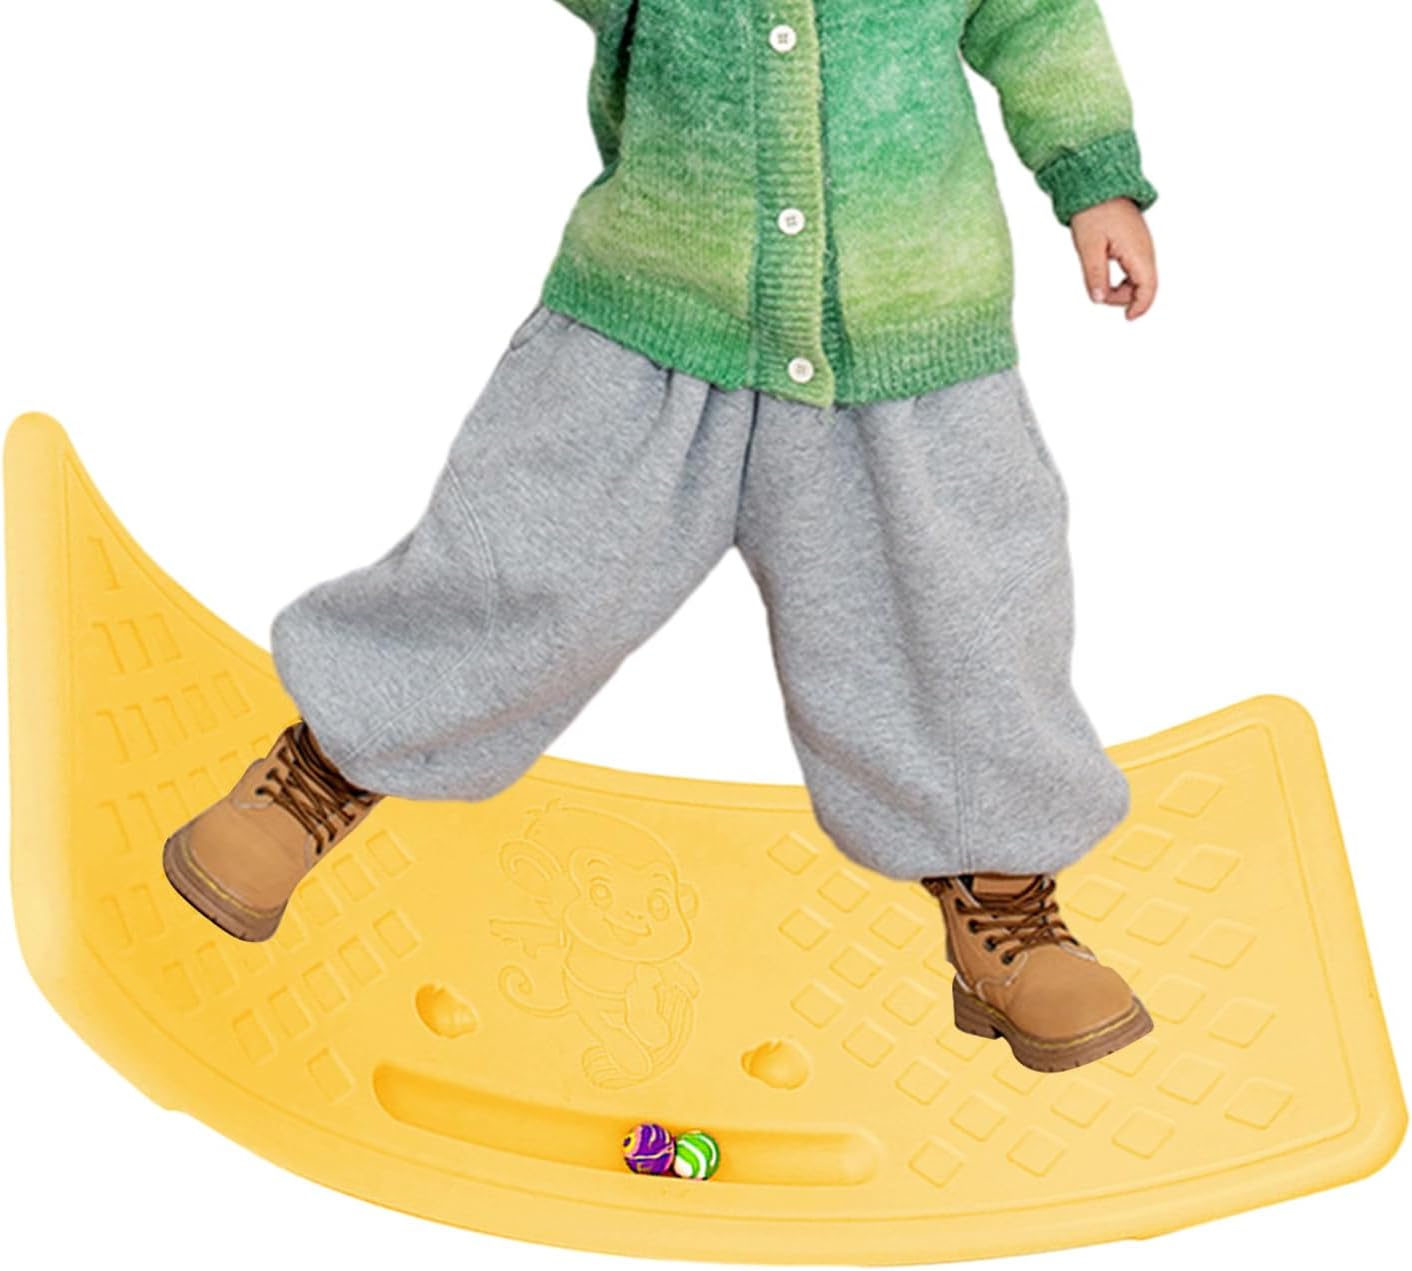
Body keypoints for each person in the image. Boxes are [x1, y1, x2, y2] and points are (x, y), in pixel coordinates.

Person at [163, 0, 1159, 1072]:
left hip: (907, 328)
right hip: (650, 309)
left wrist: (1092, 179)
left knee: (960, 622)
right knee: (520, 568)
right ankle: (325, 767)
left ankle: (1000, 899)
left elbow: (1038, 18)